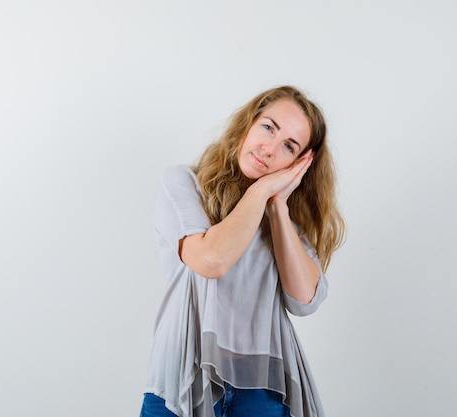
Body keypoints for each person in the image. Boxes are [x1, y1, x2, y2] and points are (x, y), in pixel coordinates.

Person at [139, 85, 345, 417]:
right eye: (268, 127)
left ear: (299, 163)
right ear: (248, 124)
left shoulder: (289, 222)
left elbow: (304, 299)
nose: (269, 148)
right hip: (181, 380)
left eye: (288, 146)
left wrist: (277, 207)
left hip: (262, 388)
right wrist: (263, 187)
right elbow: (211, 259)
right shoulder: (184, 184)